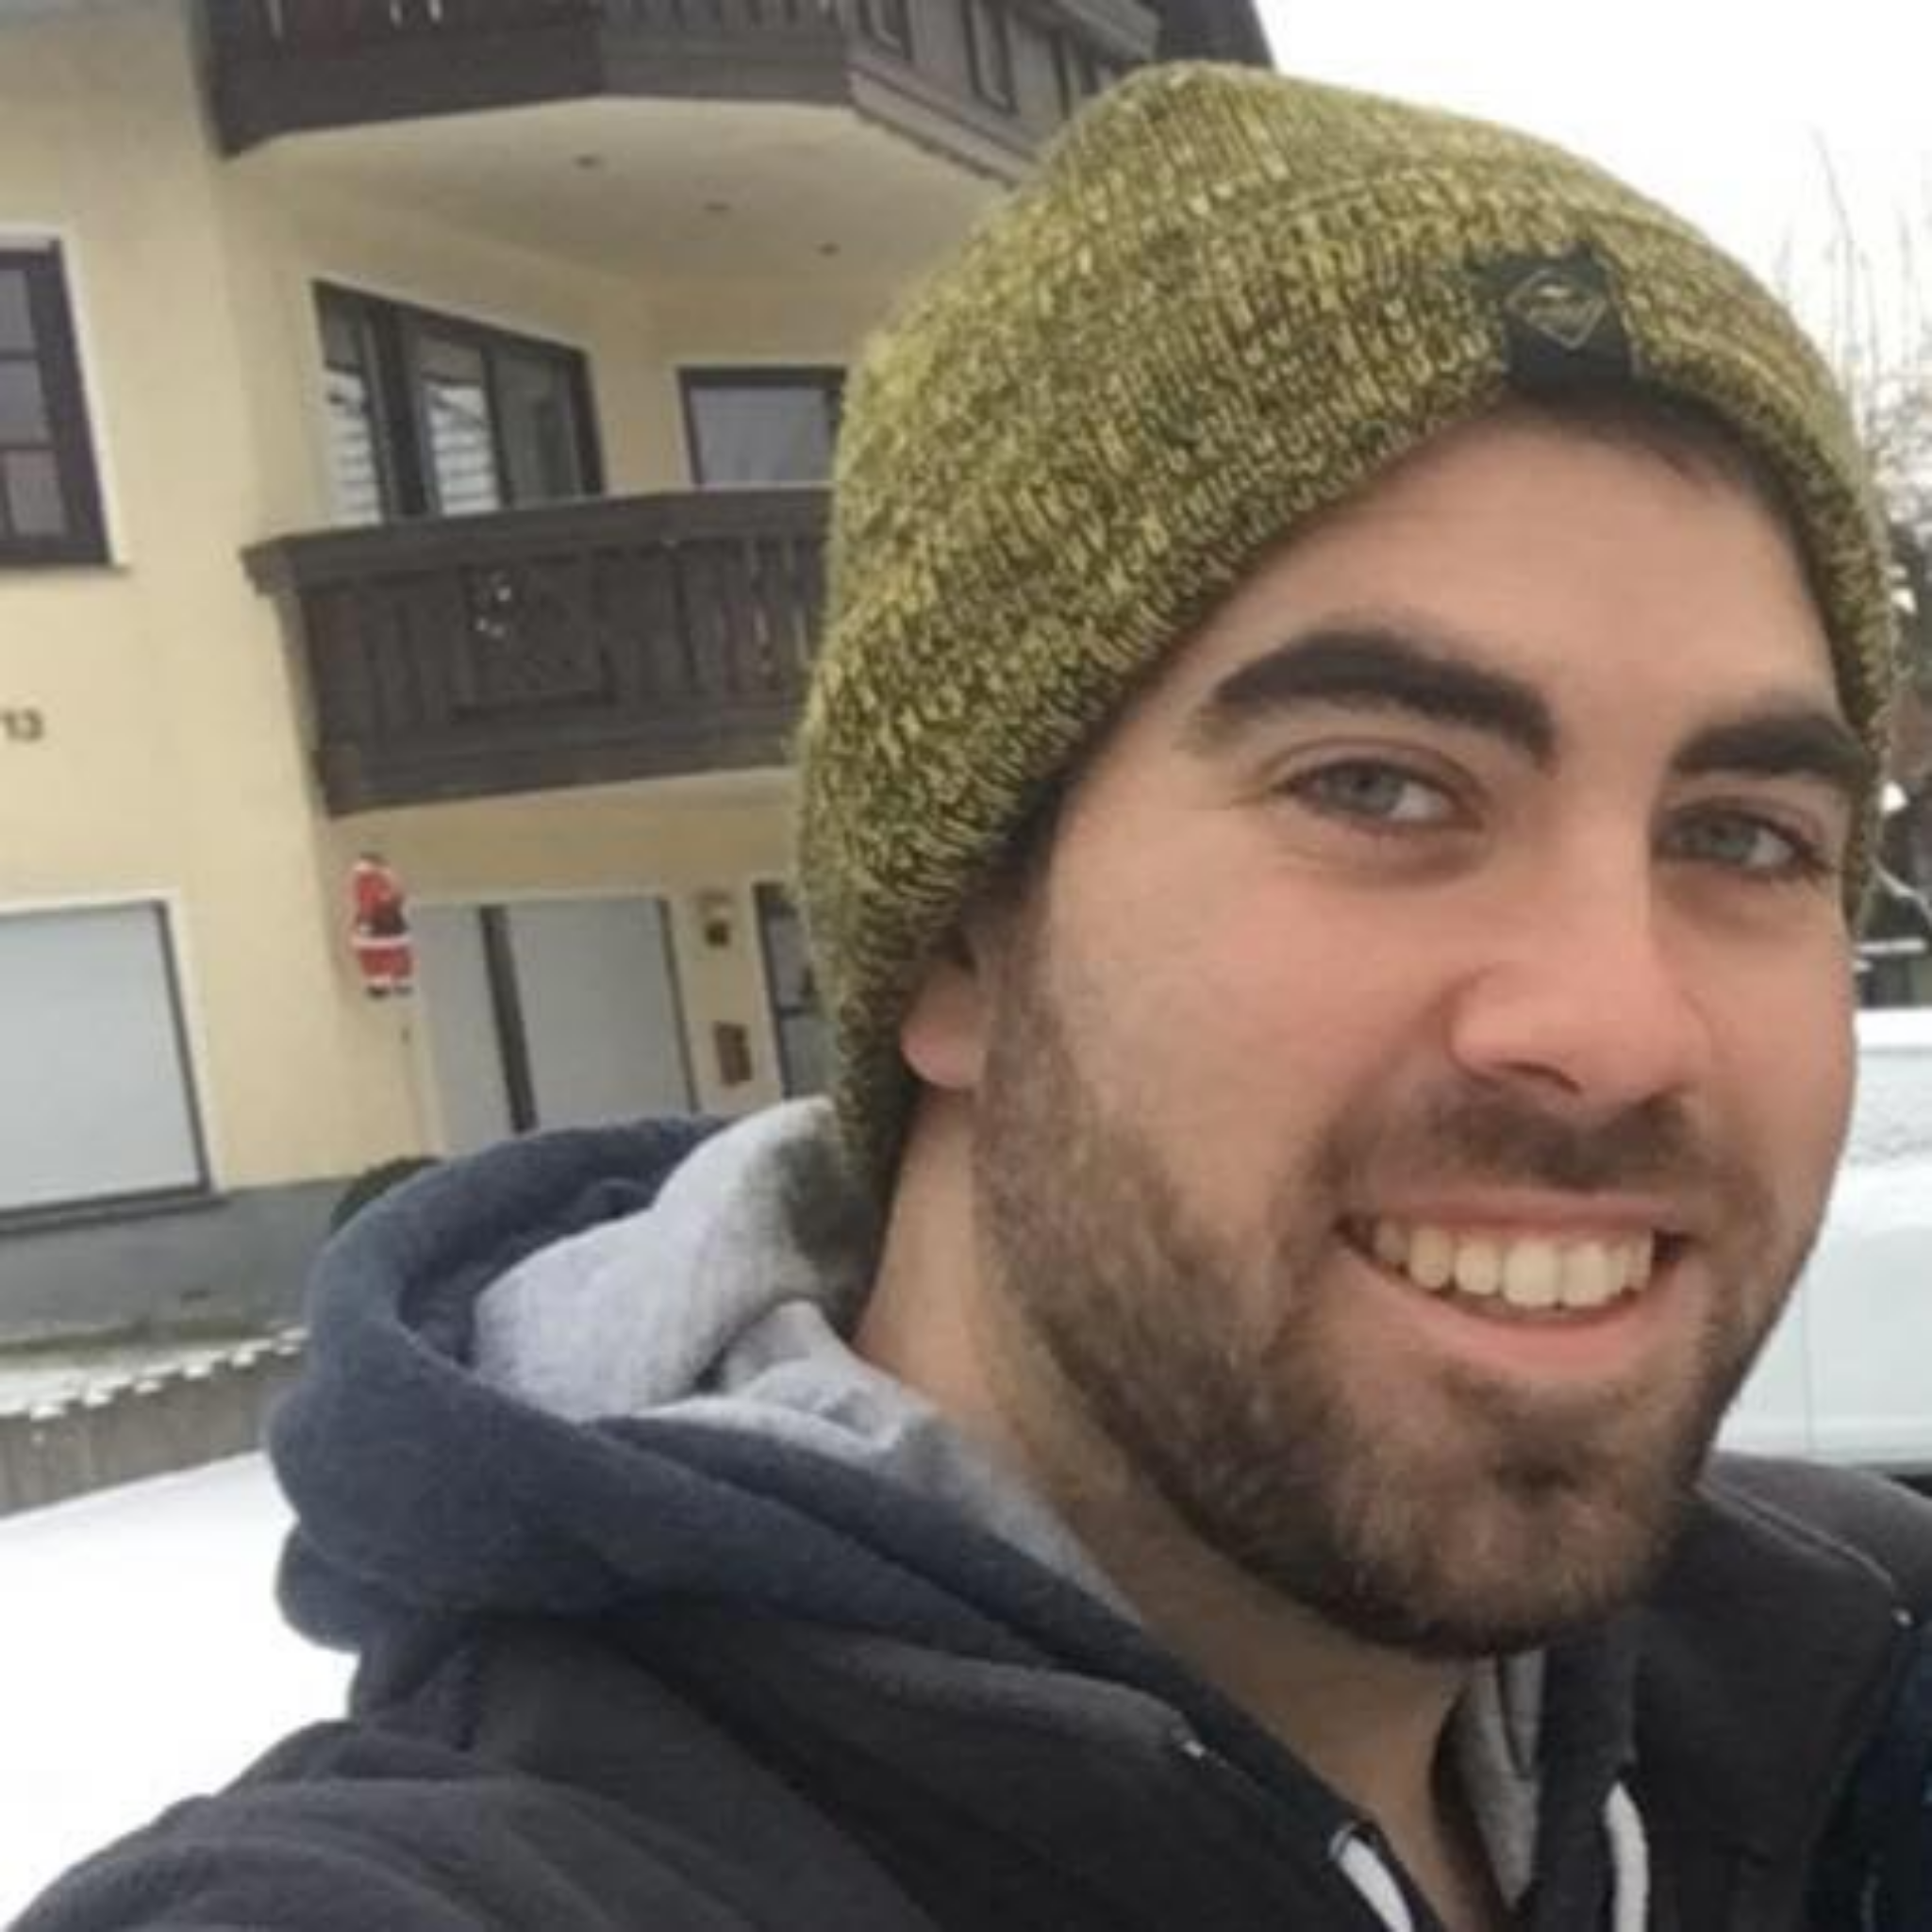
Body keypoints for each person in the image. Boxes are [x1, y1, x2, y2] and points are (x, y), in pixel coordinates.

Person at [22, 62, 1932, 1932]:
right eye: (1376, 786)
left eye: (1745, 835)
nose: (1618, 1024)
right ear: (954, 934)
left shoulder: (1852, 1679)